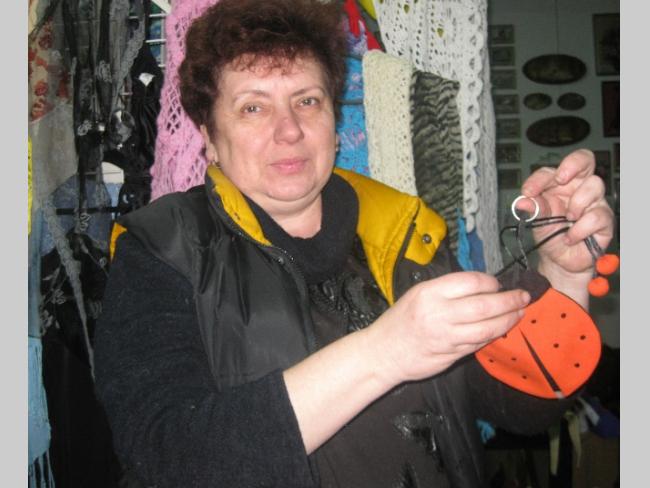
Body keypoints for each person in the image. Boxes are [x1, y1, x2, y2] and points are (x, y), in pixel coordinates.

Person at [94, 0, 615, 487]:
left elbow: (513, 406)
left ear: (334, 121)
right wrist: (385, 352)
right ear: (209, 135)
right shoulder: (161, 249)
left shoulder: (404, 231)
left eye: (307, 100)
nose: (289, 130)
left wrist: (564, 273)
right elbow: (165, 455)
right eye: (253, 108)